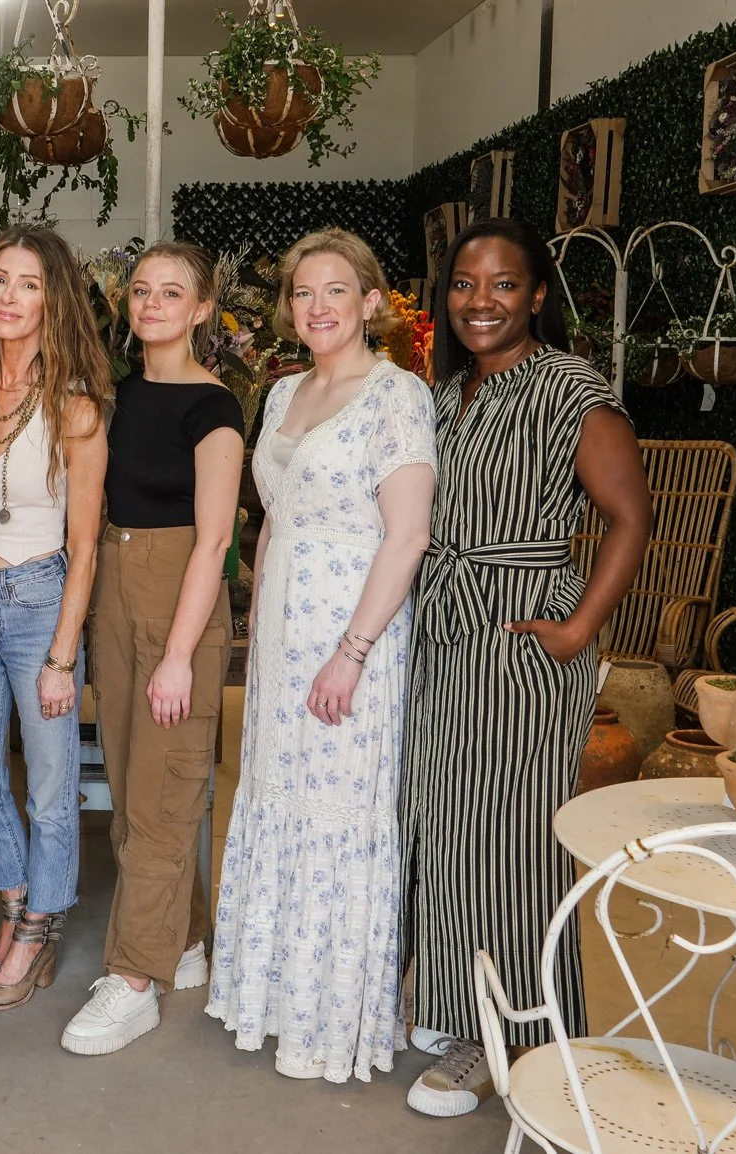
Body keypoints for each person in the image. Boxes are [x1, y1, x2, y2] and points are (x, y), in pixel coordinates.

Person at [399, 217, 650, 1118]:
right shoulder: (449, 393)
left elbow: (629, 518)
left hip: (519, 634)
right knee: (439, 821)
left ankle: (519, 1034)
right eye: (465, 284)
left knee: (510, 842)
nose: (481, 302)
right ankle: (456, 1000)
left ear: (538, 294)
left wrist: (581, 628)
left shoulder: (572, 390)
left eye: (503, 285)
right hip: (442, 628)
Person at [205, 230, 435, 1083]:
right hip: (277, 641)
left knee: (336, 813)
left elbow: (407, 535)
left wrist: (352, 653)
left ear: (372, 302)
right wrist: (254, 624)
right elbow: (271, 523)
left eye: (336, 290)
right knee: (276, 800)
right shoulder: (281, 395)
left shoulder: (397, 395)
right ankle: (271, 996)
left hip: (352, 640)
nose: (319, 307)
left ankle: (332, 1012)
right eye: (303, 293)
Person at [63, 242, 244, 1056]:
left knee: (166, 793)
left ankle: (135, 979)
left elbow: (213, 544)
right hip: (115, 595)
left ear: (202, 309)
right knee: (139, 789)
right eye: (142, 291)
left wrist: (179, 654)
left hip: (182, 600)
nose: (154, 303)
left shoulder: (217, 409)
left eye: (173, 292)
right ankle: (188, 939)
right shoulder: (113, 396)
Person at [0, 226, 110, 1011]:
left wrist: (62, 655)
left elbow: (84, 546)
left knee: (49, 788)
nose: (9, 296)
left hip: (41, 600)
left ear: (54, 298)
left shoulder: (75, 407)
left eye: (29, 283)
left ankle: (40, 931)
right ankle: (15, 914)